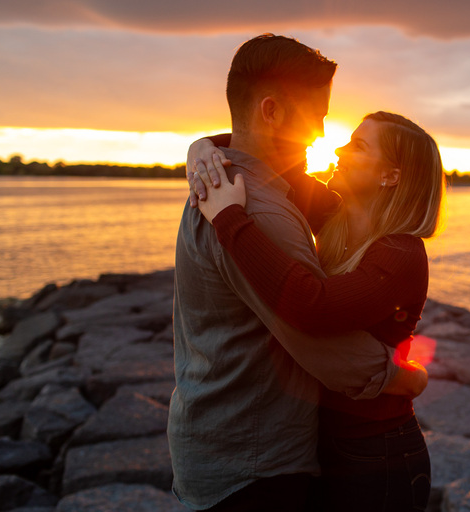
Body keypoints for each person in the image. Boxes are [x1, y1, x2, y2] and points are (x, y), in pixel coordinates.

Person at [170, 34, 426, 512]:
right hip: (254, 462)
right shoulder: (254, 210)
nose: (322, 133)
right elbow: (312, 327)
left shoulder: (228, 184)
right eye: (321, 116)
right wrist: (401, 376)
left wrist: (205, 145)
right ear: (272, 111)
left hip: (221, 443)